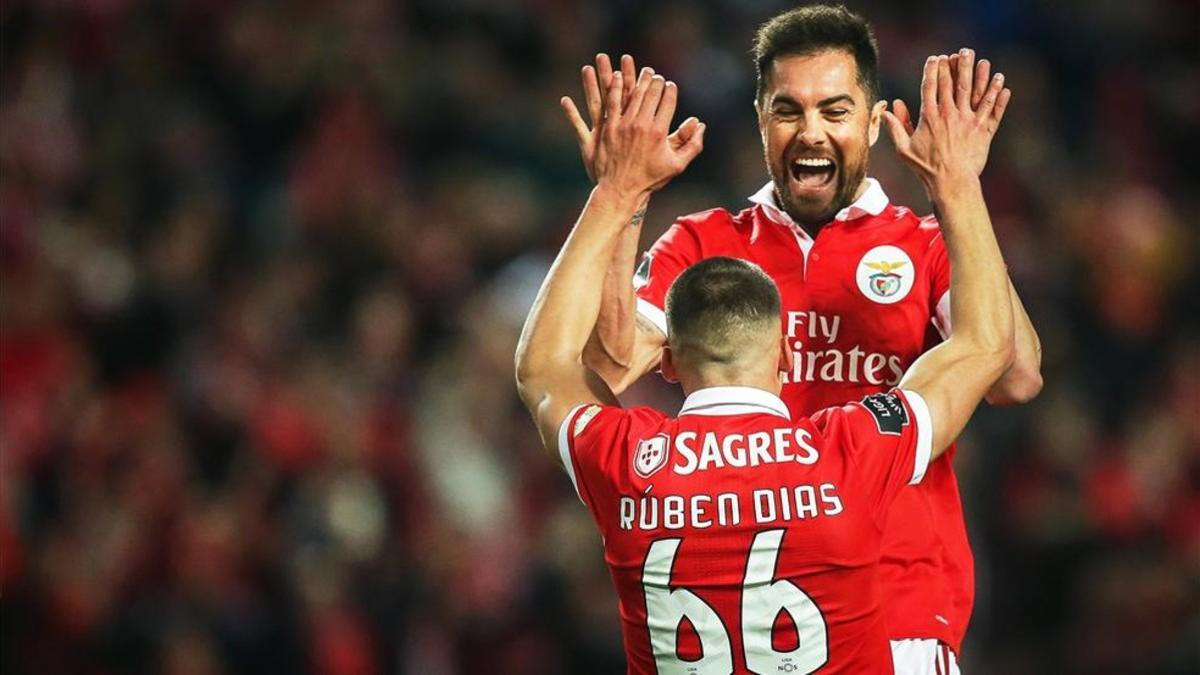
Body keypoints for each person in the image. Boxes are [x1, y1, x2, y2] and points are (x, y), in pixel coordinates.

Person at [558, 5, 1043, 670]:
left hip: (899, 606)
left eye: (835, 111)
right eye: (788, 110)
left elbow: (1015, 375)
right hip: (749, 609)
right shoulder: (704, 243)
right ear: (761, 118)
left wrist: (958, 189)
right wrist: (627, 198)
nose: (810, 131)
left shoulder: (924, 243)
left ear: (872, 122)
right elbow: (611, 363)